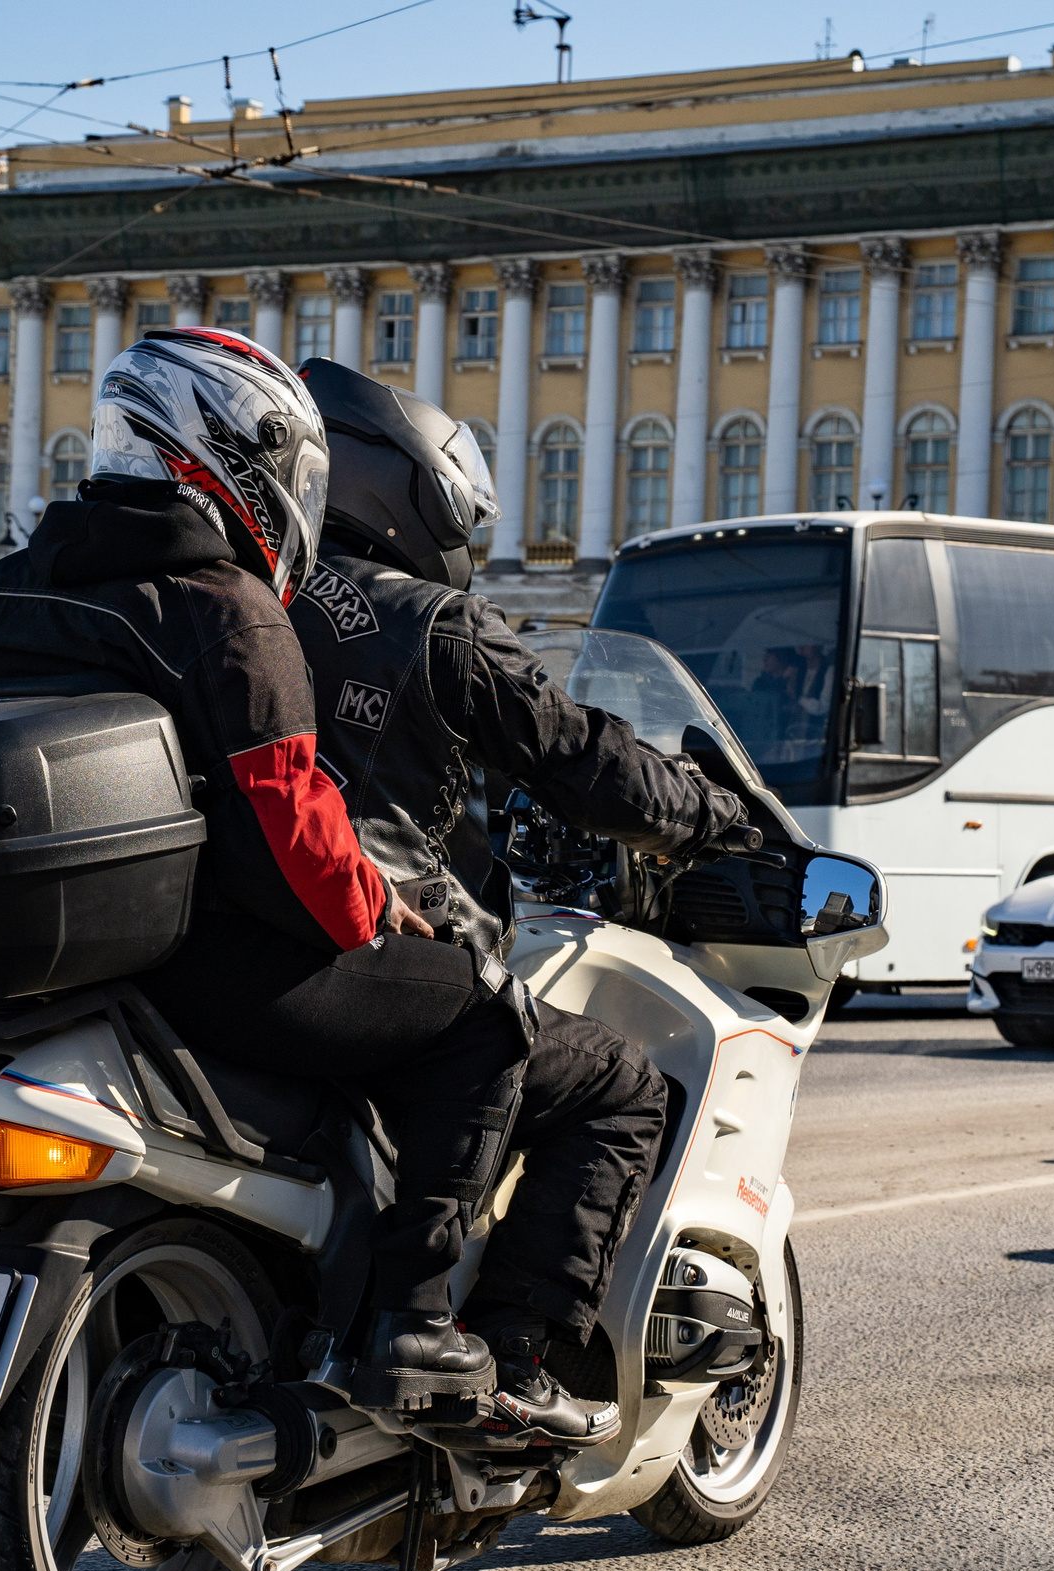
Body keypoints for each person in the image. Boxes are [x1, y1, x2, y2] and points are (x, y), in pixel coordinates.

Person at [0, 327, 521, 1414]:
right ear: (234, 454)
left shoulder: (11, 588)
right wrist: (378, 909)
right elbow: (289, 819)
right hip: (220, 963)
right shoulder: (226, 607)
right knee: (482, 1018)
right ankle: (415, 1323)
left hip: (81, 960)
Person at [289, 358, 760, 1446]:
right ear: (413, 494)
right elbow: (582, 755)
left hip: (236, 953)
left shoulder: (240, 598)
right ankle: (515, 1354)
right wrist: (706, 813)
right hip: (387, 950)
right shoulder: (434, 622)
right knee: (619, 1084)